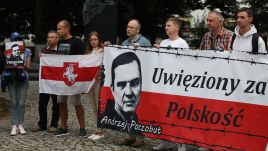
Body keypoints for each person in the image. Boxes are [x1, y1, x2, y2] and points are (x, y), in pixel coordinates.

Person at [153, 17, 189, 151]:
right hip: (164, 84)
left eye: (168, 25)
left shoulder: (182, 43)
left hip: (176, 84)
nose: (166, 27)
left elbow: (185, 63)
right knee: (164, 113)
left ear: (176, 28)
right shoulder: (163, 42)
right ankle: (165, 140)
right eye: (165, 25)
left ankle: (181, 142)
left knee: (177, 114)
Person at [119, 19, 151, 147]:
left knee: (139, 109)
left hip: (140, 81)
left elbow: (150, 59)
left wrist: (141, 50)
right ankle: (130, 135)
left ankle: (141, 138)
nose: (128, 29)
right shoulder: (124, 42)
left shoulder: (145, 42)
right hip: (126, 80)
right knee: (127, 108)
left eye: (131, 27)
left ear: (138, 30)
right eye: (127, 27)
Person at [53, 20, 87, 137]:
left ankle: (82, 128)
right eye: (57, 29)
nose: (58, 31)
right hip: (62, 77)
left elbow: (81, 61)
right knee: (61, 102)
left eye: (60, 29)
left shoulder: (78, 42)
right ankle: (63, 127)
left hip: (73, 78)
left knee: (76, 102)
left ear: (67, 29)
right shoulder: (60, 43)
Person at [99, 51, 142, 132]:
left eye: (134, 83)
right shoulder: (105, 118)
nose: (128, 93)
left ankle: (132, 137)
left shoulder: (142, 121)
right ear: (112, 89)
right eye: (121, 85)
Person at [3, 32, 32, 135]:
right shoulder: (8, 51)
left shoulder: (27, 51)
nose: (16, 41)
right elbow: (4, 65)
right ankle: (13, 125)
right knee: (13, 102)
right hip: (11, 78)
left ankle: (21, 124)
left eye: (18, 39)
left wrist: (20, 62)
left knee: (21, 102)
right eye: (14, 39)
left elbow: (28, 67)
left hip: (23, 78)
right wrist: (9, 62)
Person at [33, 30, 60, 133]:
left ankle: (54, 124)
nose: (50, 39)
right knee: (42, 103)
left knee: (56, 104)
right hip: (46, 82)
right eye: (48, 37)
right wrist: (41, 57)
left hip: (56, 82)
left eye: (52, 37)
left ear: (57, 39)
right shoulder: (44, 50)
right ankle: (42, 124)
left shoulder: (61, 50)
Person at [86, 31, 105, 141]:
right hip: (90, 82)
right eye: (91, 39)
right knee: (93, 106)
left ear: (99, 40)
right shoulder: (88, 52)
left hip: (99, 80)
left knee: (99, 106)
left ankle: (101, 130)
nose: (93, 41)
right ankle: (97, 129)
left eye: (95, 39)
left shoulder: (102, 51)